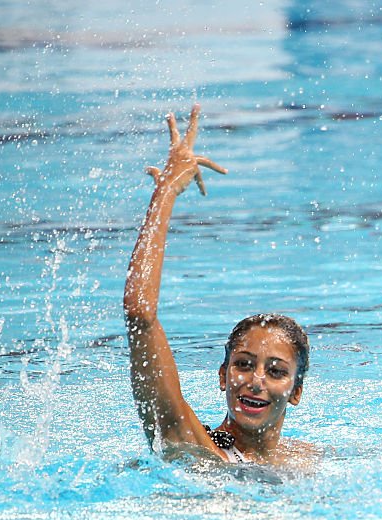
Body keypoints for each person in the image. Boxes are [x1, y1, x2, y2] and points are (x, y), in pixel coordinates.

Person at [124, 105, 315, 467]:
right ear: (223, 376)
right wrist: (165, 193)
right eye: (243, 365)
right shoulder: (194, 446)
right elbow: (138, 313)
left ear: (296, 391)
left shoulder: (305, 458)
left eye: (276, 371)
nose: (256, 381)